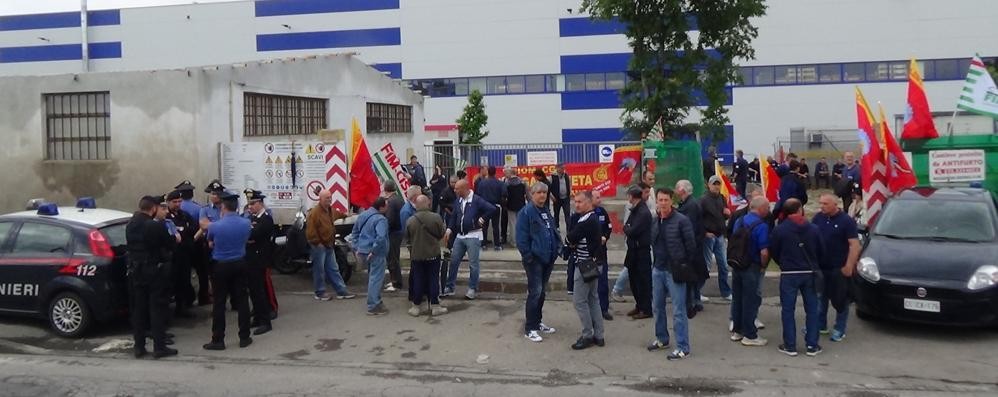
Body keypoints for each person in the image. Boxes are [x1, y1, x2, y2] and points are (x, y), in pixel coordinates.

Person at [770, 198, 824, 357]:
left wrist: (783, 263)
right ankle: (812, 345)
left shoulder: (780, 230)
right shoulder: (813, 229)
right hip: (809, 272)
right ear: (800, 209)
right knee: (812, 309)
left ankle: (790, 345)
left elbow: (774, 251)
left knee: (788, 310)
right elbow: (821, 250)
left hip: (789, 273)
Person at [647, 188, 697, 360]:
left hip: (675, 271)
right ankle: (662, 338)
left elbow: (691, 246)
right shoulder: (655, 221)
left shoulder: (682, 221)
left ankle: (683, 347)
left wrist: (682, 264)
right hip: (658, 269)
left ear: (671, 201)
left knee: (678, 311)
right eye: (660, 200)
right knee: (657, 307)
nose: (662, 203)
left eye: (665, 200)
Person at [127, 195, 179, 359]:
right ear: (153, 208)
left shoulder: (131, 224)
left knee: (139, 309)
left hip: (137, 270)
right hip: (154, 270)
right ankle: (159, 347)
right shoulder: (154, 226)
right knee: (157, 308)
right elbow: (169, 244)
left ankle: (139, 346)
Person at [202, 191, 253, 351]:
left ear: (223, 207)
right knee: (242, 299)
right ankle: (244, 337)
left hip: (221, 265)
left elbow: (210, 242)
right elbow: (246, 239)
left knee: (219, 302)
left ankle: (218, 339)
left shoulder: (215, 225)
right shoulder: (245, 223)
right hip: (240, 262)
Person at [517, 182, 562, 342]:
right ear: (532, 194)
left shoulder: (545, 211)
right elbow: (521, 238)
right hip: (534, 260)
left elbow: (553, 231)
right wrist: (528, 256)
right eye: (539, 193)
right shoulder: (526, 212)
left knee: (542, 292)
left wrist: (558, 248)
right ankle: (530, 328)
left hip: (548, 258)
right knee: (535, 292)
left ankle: (537, 321)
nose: (542, 195)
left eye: (545, 192)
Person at [813, 193, 861, 342]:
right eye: (820, 203)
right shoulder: (818, 218)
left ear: (835, 204)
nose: (822, 206)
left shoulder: (846, 221)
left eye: (825, 204)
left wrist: (849, 265)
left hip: (839, 267)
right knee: (821, 298)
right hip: (821, 267)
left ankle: (839, 328)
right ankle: (821, 325)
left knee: (840, 300)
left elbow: (854, 245)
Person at [443, 179, 496, 300]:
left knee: (473, 264)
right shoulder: (458, 200)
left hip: (473, 235)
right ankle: (450, 287)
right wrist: (449, 229)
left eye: (457, 188)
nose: (454, 190)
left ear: (464, 188)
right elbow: (454, 216)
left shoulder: (476, 200)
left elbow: (492, 209)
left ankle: (472, 288)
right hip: (460, 236)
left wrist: (483, 219)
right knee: (454, 262)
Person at [730, 196, 771, 348]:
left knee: (738, 298)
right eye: (767, 207)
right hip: (751, 265)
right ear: (761, 209)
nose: (768, 210)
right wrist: (763, 265)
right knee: (750, 300)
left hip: (737, 264)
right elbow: (764, 251)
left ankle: (737, 330)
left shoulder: (739, 221)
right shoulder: (761, 225)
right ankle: (750, 334)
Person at [566, 191, 605, 350]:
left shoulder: (586, 220)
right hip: (594, 263)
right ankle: (599, 335)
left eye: (580, 202)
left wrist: (571, 241)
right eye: (575, 201)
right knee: (592, 299)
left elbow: (570, 238)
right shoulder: (590, 218)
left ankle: (587, 335)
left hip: (585, 265)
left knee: (579, 301)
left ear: (589, 202)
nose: (577, 204)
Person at [306, 190, 356, 301]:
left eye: (330, 197)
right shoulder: (314, 213)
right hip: (319, 246)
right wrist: (317, 243)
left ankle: (341, 291)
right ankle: (320, 292)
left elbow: (338, 214)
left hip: (328, 244)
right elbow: (310, 231)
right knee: (319, 270)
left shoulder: (330, 210)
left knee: (334, 269)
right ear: (320, 199)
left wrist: (346, 215)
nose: (329, 199)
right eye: (326, 198)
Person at [405, 195, 448, 317]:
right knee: (433, 279)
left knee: (418, 280)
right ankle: (435, 306)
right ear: (428, 204)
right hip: (433, 254)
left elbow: (407, 238)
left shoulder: (410, 220)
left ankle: (416, 306)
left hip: (417, 255)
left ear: (417, 205)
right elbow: (441, 233)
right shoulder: (436, 217)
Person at [351, 197, 391, 315]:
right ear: (381, 207)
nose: (388, 207)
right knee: (376, 278)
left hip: (363, 251)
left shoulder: (363, 215)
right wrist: (374, 251)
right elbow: (381, 237)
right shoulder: (381, 220)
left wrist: (357, 247)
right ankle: (373, 305)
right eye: (386, 205)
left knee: (372, 277)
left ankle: (376, 300)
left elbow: (355, 232)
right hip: (376, 253)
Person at [674, 180, 707, 316]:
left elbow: (689, 228)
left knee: (691, 276)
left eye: (677, 189)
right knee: (694, 275)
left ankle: (693, 303)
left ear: (682, 191)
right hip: (695, 245)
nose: (675, 191)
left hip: (693, 247)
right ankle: (696, 301)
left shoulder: (691, 206)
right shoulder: (689, 204)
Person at [245, 190, 275, 336]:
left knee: (260, 291)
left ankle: (265, 321)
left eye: (253, 203)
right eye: (249, 204)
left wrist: (250, 237)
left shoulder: (266, 219)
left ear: (260, 203)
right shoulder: (253, 218)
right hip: (251, 259)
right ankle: (257, 317)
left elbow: (252, 235)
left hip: (260, 259)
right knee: (254, 290)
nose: (250, 207)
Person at [622, 185, 653, 319]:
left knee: (642, 280)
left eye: (628, 195)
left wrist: (628, 229)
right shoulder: (635, 210)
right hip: (633, 250)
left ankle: (646, 309)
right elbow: (626, 225)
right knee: (633, 279)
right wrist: (627, 228)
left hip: (641, 250)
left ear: (632, 196)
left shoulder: (643, 212)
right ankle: (639, 305)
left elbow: (631, 230)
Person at [165, 190, 196, 319]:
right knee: (172, 282)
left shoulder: (184, 215)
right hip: (172, 255)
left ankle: (182, 307)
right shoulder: (166, 216)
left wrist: (183, 230)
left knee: (184, 280)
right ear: (168, 202)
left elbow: (193, 228)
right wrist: (183, 230)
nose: (177, 204)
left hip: (185, 254)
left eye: (179, 201)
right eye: (174, 202)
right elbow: (170, 234)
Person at [701, 176, 733, 301]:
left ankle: (725, 292)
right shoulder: (703, 200)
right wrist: (704, 232)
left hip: (720, 235)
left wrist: (727, 215)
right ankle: (697, 291)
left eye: (718, 184)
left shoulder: (722, 198)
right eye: (714, 184)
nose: (716, 186)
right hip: (708, 236)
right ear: (709, 185)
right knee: (706, 266)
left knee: (724, 265)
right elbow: (698, 218)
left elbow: (723, 216)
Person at [195, 180, 226, 306]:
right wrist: (221, 225)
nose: (214, 196)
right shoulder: (205, 209)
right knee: (213, 275)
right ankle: (217, 299)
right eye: (212, 194)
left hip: (224, 244)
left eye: (217, 194)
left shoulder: (227, 207)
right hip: (210, 246)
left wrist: (212, 225)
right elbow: (203, 225)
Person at [383, 182, 406, 291]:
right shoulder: (398, 199)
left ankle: (396, 283)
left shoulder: (391, 202)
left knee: (392, 258)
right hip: (398, 231)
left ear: (385, 189)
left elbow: (390, 220)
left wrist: (383, 231)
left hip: (393, 233)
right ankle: (394, 280)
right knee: (394, 257)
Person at [476, 166, 505, 250]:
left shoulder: (482, 183)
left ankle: (483, 244)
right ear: (495, 172)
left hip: (484, 207)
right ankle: (497, 245)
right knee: (496, 226)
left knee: (484, 226)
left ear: (488, 172)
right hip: (496, 206)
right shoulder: (499, 183)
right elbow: (504, 195)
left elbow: (478, 194)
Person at [504, 167, 527, 248]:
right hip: (521, 205)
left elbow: (505, 195)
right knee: (521, 224)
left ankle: (514, 242)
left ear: (510, 173)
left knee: (512, 224)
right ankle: (522, 240)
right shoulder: (522, 182)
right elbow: (526, 194)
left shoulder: (507, 183)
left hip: (511, 206)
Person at [550, 164, 572, 229]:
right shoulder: (552, 177)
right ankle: (557, 228)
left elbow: (570, 184)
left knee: (567, 214)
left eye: (563, 168)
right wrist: (551, 196)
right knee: (556, 214)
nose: (563, 169)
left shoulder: (567, 176)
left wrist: (570, 192)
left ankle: (569, 228)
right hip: (556, 199)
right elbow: (548, 187)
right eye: (561, 168)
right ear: (557, 168)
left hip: (566, 198)